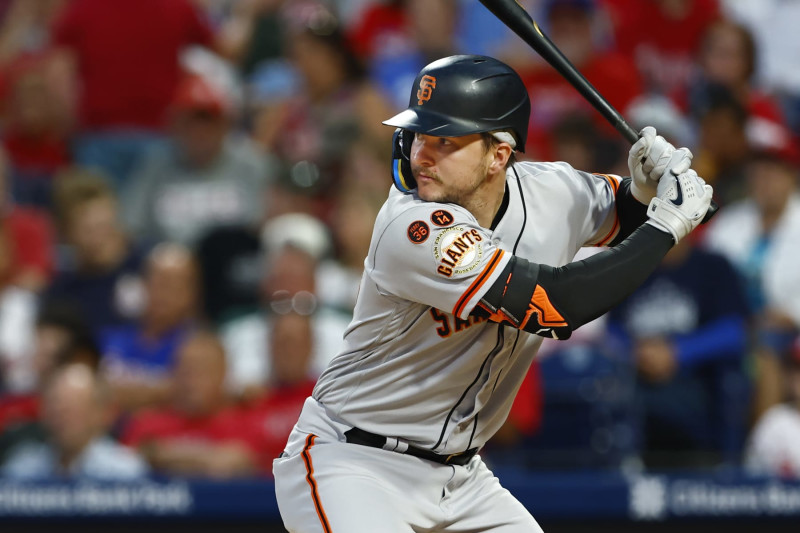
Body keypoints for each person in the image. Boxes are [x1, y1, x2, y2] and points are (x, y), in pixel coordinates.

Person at [272, 54, 714, 532]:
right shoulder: (412, 226)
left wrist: (651, 189)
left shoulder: (553, 190)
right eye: (420, 134)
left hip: (460, 479)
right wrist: (666, 222)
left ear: (498, 155)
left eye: (445, 141)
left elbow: (652, 211)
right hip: (355, 463)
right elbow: (555, 305)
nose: (421, 153)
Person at [1, 362, 148, 480]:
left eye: (71, 408)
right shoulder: (21, 469)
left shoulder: (125, 473)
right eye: (55, 406)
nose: (60, 416)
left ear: (101, 414)